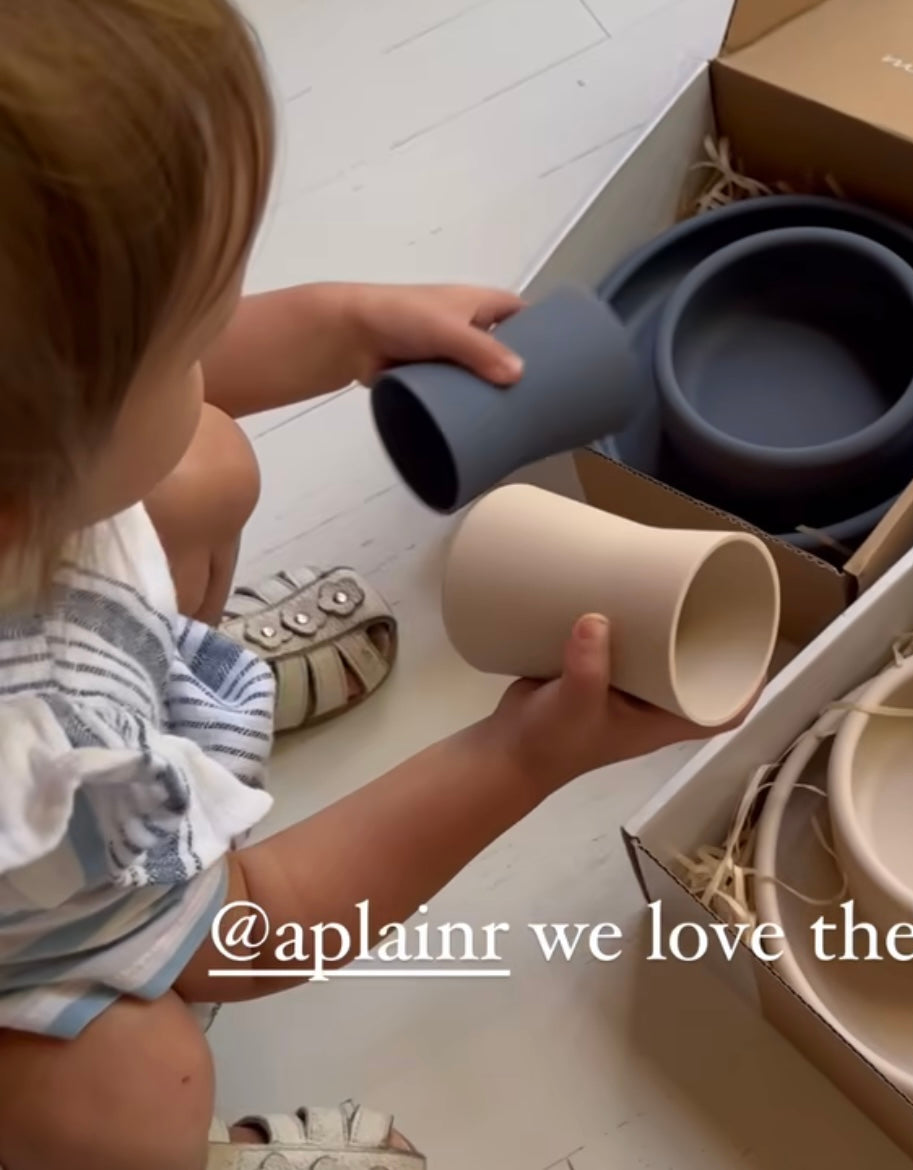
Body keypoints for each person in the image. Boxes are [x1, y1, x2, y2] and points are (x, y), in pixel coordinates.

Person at [0, 3, 746, 1168]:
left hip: (71, 715)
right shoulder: (36, 776)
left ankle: (176, 705)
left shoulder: (29, 463)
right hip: (48, 884)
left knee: (198, 458)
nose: (216, 346)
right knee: (138, 1090)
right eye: (193, 331)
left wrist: (346, 326)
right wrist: (519, 759)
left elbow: (122, 381)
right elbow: (244, 936)